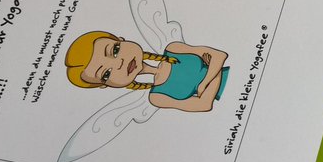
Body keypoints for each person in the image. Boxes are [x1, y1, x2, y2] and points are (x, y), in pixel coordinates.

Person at [64, 30, 228, 113]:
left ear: (121, 40)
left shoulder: (173, 49)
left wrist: (204, 85)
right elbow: (204, 105)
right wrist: (212, 69)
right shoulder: (157, 97)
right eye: (106, 74)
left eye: (115, 50)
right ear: (105, 85)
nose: (120, 63)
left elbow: (221, 55)